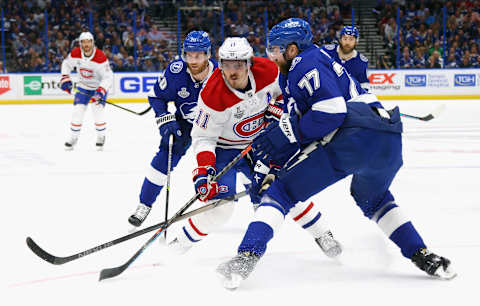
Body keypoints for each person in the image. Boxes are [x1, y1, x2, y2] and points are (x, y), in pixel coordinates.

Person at [217, 18, 456, 289]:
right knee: (374, 199)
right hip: (387, 137)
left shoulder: (302, 65)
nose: (271, 55)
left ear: (292, 49)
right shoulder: (315, 59)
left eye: (276, 49)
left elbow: (331, 111)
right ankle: (423, 255)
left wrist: (286, 140)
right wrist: (274, 164)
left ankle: (245, 257)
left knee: (280, 194)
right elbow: (310, 124)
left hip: (354, 135)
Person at [166, 37, 342, 259]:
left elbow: (286, 91)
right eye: (226, 64)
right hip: (224, 149)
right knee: (221, 209)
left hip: (260, 143)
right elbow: (203, 137)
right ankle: (178, 244)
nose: (232, 71)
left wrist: (278, 107)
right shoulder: (211, 95)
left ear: (249, 63)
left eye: (238, 64)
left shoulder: (268, 70)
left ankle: (322, 233)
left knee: (284, 189)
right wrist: (204, 170)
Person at [128, 31, 218, 227]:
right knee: (164, 156)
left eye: (198, 55)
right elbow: (156, 96)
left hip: (217, 125)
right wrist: (164, 117)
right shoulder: (176, 71)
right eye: (189, 54)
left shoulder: (221, 74)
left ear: (208, 54)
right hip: (185, 123)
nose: (193, 60)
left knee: (236, 158)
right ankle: (145, 204)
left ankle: (257, 201)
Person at [60, 32, 113, 151]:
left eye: (88, 41)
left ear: (92, 42)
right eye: (83, 42)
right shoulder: (75, 53)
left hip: (98, 88)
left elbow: (108, 77)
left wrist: (100, 92)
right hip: (83, 87)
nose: (86, 44)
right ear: (80, 43)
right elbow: (66, 64)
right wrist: (65, 78)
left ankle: (101, 136)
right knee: (77, 112)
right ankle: (73, 138)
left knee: (97, 111)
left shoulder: (100, 57)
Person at [320, 26, 370, 90]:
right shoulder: (326, 52)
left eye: (351, 39)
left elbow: (364, 86)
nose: (347, 42)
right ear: (340, 40)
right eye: (345, 38)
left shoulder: (361, 62)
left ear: (356, 42)